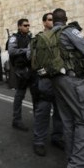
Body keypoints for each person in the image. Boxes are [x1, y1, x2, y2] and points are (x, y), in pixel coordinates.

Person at [50, 8, 84, 168]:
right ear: (65, 18)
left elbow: (31, 55)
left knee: (68, 122)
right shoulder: (69, 31)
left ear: (53, 20)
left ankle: (72, 160)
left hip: (57, 82)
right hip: (74, 81)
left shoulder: (46, 35)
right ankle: (77, 167)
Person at [30, 12, 64, 156]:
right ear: (44, 22)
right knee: (43, 111)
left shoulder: (61, 37)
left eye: (54, 20)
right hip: (45, 80)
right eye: (50, 20)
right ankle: (39, 141)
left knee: (59, 111)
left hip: (60, 80)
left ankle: (57, 137)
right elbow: (30, 56)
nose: (52, 22)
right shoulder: (39, 39)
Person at [8, 18, 33, 131]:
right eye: (25, 25)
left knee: (36, 94)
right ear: (19, 26)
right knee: (20, 95)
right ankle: (16, 120)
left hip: (31, 69)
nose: (27, 27)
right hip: (20, 70)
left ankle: (39, 119)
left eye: (28, 25)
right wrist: (26, 50)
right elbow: (12, 51)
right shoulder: (14, 38)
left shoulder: (30, 37)